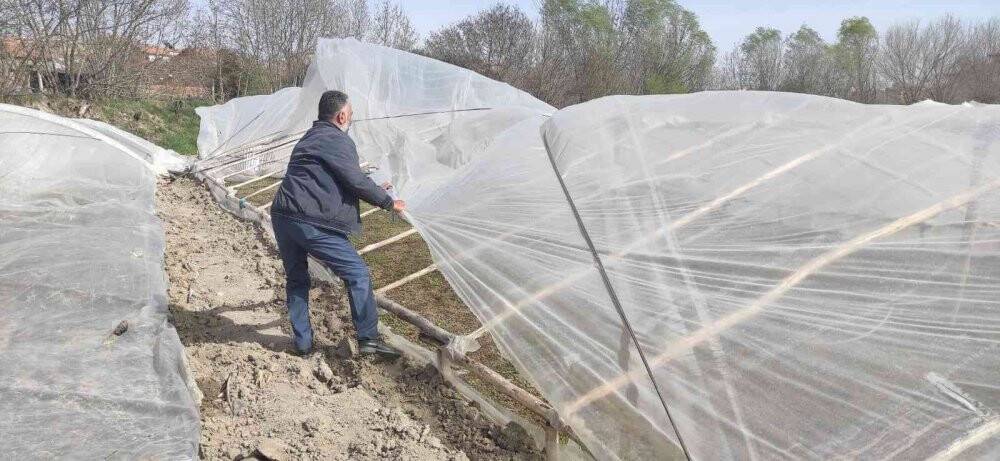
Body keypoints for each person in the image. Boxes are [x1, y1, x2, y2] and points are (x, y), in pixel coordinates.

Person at [270, 90, 404, 359]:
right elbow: (353, 180)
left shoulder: (311, 137)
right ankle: (369, 340)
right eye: (351, 115)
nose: (350, 119)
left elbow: (331, 176)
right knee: (357, 273)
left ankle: (303, 344)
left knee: (297, 279)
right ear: (342, 115)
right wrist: (389, 202)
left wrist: (375, 186)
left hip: (283, 214)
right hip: (308, 220)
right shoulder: (337, 139)